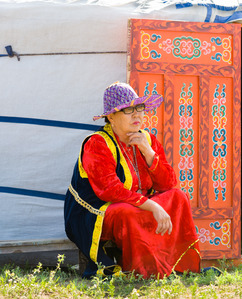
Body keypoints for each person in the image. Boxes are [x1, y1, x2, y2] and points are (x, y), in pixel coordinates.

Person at [64, 82, 200, 279]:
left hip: (138, 202)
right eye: (128, 110)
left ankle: (178, 265)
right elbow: (109, 191)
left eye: (140, 108)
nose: (137, 115)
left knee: (178, 197)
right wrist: (153, 207)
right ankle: (143, 270)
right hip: (96, 210)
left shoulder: (148, 139)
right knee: (127, 212)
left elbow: (168, 184)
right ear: (111, 117)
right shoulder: (97, 143)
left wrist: (149, 152)